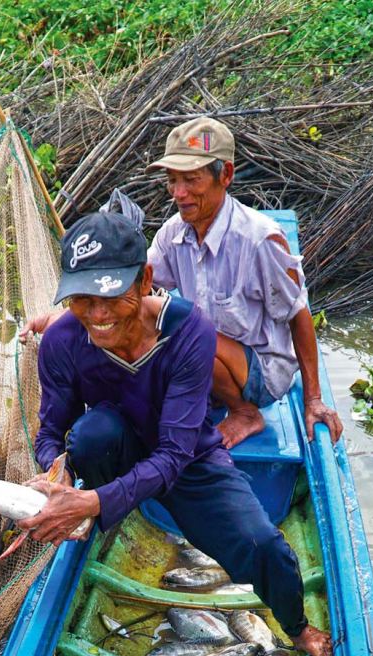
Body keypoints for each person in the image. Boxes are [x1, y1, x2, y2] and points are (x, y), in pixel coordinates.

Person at [16, 210, 332, 656]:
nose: (97, 314)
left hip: (185, 457)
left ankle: (298, 628)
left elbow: (174, 453)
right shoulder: (63, 340)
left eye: (110, 297)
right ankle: (109, 518)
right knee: (89, 436)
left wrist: (97, 502)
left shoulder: (187, 331)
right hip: (117, 451)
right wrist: (57, 474)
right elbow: (52, 431)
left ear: (145, 280)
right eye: (82, 299)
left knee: (264, 545)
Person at [145, 117, 343, 448]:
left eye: (191, 180)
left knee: (186, 336)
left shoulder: (259, 240)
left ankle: (246, 413)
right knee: (144, 318)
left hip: (261, 372)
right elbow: (138, 284)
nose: (179, 194)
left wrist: (313, 399)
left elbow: (298, 313)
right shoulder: (172, 233)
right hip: (211, 361)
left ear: (226, 176)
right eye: (172, 181)